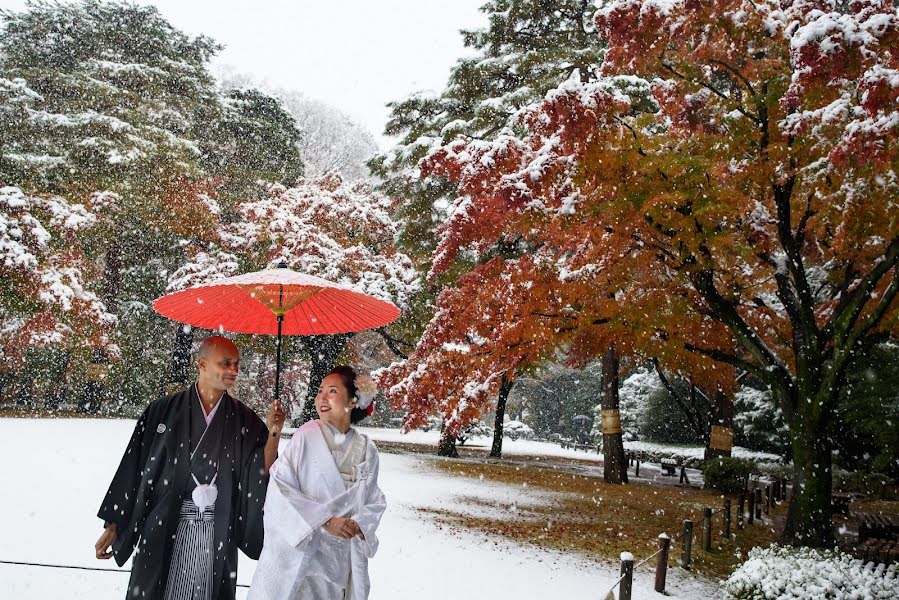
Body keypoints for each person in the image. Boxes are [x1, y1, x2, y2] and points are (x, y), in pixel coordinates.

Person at [94, 335, 286, 600]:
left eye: (237, 364)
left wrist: (274, 432)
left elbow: (259, 470)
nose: (234, 370)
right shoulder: (162, 411)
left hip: (217, 527)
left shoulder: (244, 418)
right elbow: (133, 467)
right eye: (226, 363)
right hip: (164, 522)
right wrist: (115, 523)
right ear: (202, 364)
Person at [249, 366, 387, 600]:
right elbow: (281, 488)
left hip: (340, 559)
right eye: (320, 390)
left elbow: (375, 500)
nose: (321, 397)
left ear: (353, 401)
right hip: (305, 555)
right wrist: (325, 520)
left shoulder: (367, 449)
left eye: (332, 391)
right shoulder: (306, 435)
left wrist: (359, 525)